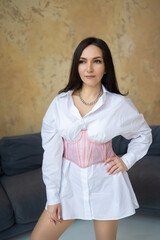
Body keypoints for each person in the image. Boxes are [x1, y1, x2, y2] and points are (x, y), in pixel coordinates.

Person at [30, 37, 152, 240]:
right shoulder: (59, 104)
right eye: (82, 61)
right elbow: (51, 155)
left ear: (106, 67)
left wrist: (126, 161)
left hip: (106, 186)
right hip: (68, 186)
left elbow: (144, 135)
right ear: (76, 66)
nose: (89, 68)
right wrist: (53, 197)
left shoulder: (119, 105)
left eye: (97, 61)